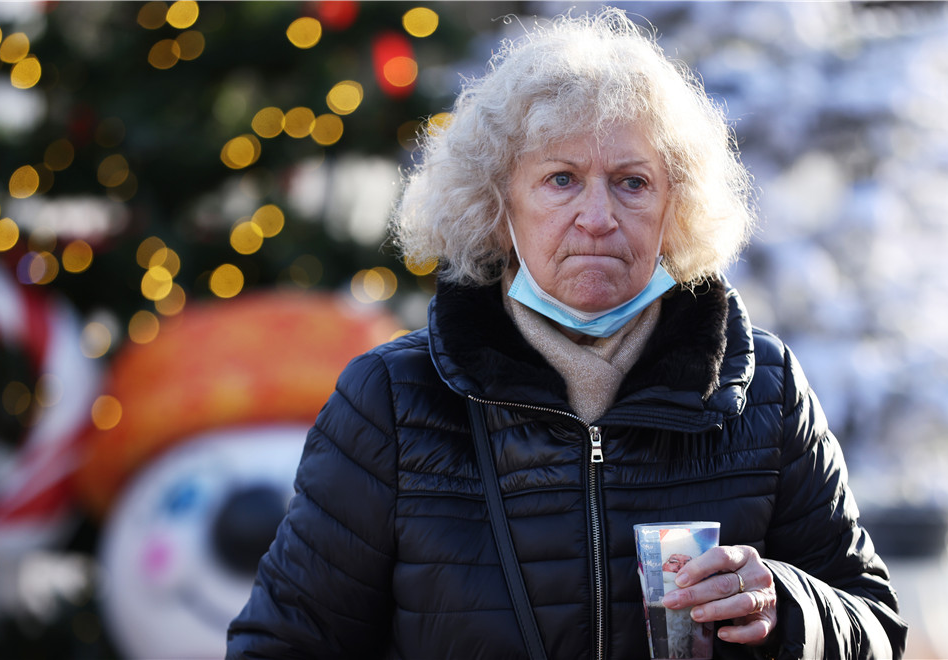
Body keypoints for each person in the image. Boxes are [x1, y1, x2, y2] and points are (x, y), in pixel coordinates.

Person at [227, 8, 907, 659]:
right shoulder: (391, 400)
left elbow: (876, 625)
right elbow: (281, 645)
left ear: (675, 208)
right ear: (498, 207)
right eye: (561, 179)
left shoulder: (764, 389)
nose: (598, 217)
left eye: (632, 183)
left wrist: (786, 607)